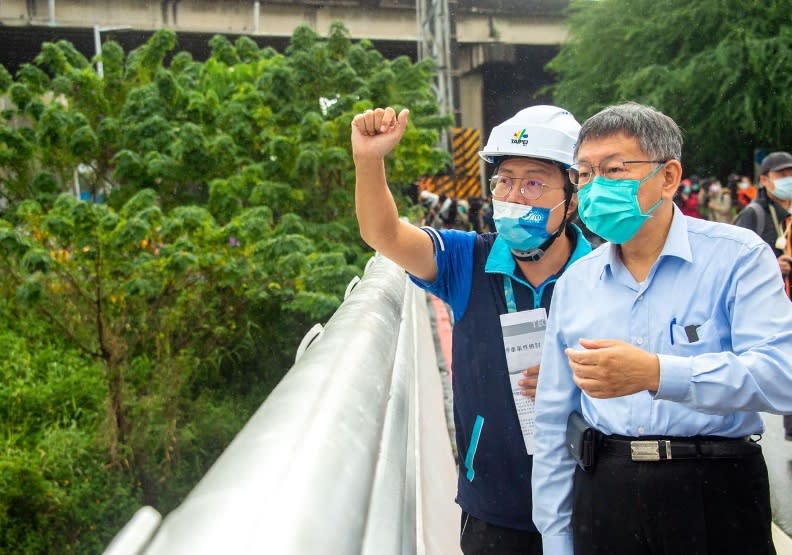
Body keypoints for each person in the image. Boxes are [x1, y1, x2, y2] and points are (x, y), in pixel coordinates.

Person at [531, 102, 792, 555]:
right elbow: (555, 416)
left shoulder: (737, 258)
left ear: (668, 177)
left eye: (613, 170)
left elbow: (781, 374)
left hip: (715, 490)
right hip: (606, 488)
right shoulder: (577, 281)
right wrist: (556, 535)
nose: (594, 188)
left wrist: (657, 374)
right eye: (585, 174)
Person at [351, 104, 591, 554]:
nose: (515, 195)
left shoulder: (603, 275)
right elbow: (383, 233)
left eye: (534, 182)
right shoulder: (468, 262)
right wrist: (369, 160)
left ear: (571, 196)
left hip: (592, 503)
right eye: (505, 180)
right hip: (495, 511)